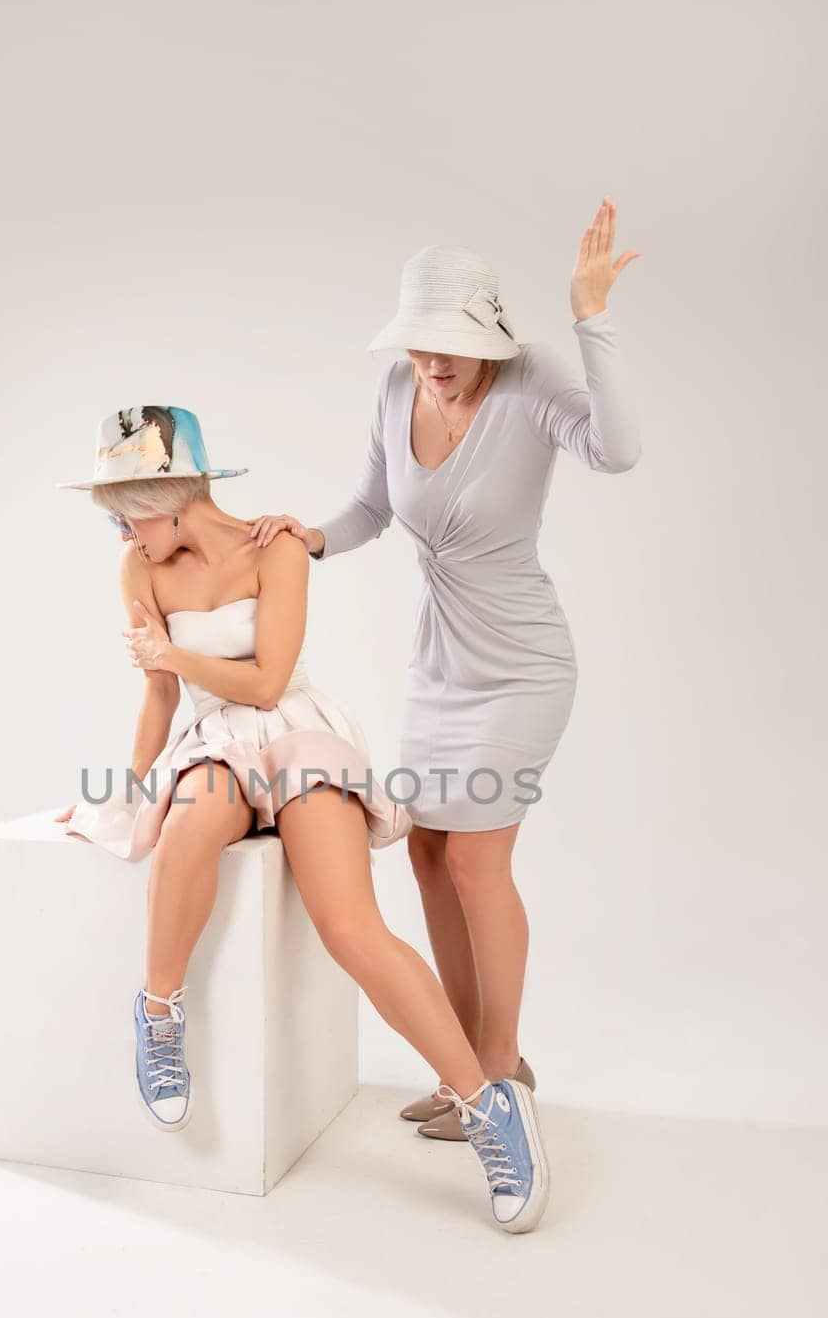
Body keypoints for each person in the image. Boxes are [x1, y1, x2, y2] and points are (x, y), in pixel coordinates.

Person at [53, 401, 550, 1232]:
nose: (122, 537)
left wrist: (171, 650)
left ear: (171, 497)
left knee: (351, 926)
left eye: (127, 518)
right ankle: (158, 1011)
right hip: (216, 737)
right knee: (186, 828)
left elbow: (271, 681)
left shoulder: (276, 547)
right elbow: (162, 696)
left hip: (297, 728)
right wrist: (134, 782)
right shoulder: (138, 569)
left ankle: (487, 1105)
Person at [250, 198, 642, 1144]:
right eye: (419, 342)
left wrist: (592, 320)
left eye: (449, 343)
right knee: (426, 850)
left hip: (521, 666)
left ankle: (499, 1074)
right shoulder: (396, 389)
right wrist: (310, 538)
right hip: (440, 666)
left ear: (489, 331)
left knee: (475, 857)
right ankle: (465, 1060)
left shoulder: (532, 380)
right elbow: (370, 507)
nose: (433, 360)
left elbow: (617, 451)